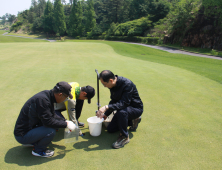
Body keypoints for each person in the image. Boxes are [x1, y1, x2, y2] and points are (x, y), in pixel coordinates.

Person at [14, 81, 77, 157]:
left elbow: (52, 115)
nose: (65, 99)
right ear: (60, 95)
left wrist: (65, 121)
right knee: (50, 131)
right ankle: (38, 151)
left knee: (53, 126)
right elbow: (48, 122)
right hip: (22, 135)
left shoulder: (47, 95)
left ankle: (33, 141)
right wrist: (66, 124)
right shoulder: (43, 100)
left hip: (29, 129)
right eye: (66, 97)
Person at [96, 70, 143, 149]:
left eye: (104, 84)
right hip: (124, 110)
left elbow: (124, 103)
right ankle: (131, 120)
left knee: (121, 112)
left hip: (135, 109)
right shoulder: (112, 86)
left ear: (111, 80)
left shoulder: (127, 84)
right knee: (110, 129)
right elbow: (114, 100)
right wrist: (106, 114)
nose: (104, 86)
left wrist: (106, 107)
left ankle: (125, 137)